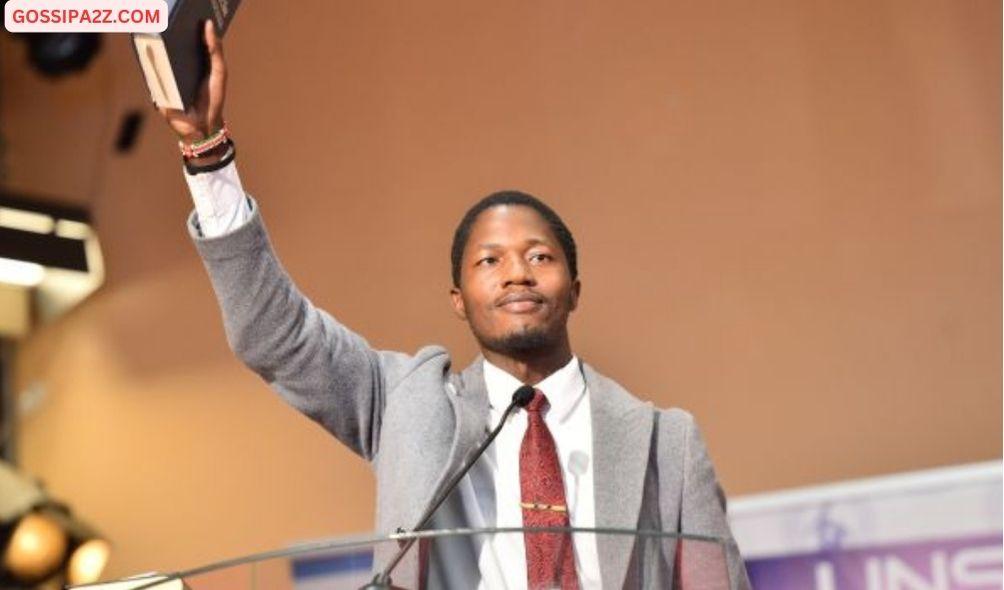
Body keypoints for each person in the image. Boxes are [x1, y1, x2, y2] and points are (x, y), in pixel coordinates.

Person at [157, 21, 752, 590]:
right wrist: (208, 156)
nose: (517, 272)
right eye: (489, 262)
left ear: (574, 289)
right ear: (459, 302)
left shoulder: (665, 441)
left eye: (539, 257)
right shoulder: (405, 403)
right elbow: (275, 336)